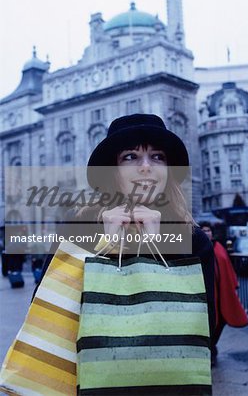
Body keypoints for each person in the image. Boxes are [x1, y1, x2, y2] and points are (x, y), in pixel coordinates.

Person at [36, 113, 215, 339]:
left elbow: (202, 325)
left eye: (157, 156)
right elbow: (48, 307)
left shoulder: (193, 238)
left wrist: (158, 247)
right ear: (113, 170)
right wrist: (104, 247)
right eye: (131, 156)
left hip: (167, 369)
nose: (146, 167)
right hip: (84, 369)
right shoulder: (79, 227)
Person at [200, 221, 248, 366]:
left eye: (208, 230)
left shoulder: (219, 247)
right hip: (207, 294)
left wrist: (233, 283)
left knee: (221, 321)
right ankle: (209, 351)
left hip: (221, 293)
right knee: (208, 323)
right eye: (203, 230)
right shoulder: (198, 247)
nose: (206, 233)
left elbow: (227, 265)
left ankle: (212, 346)